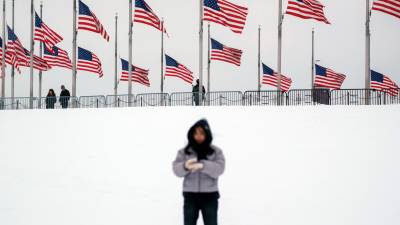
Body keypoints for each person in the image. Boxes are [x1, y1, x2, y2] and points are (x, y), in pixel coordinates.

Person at [173, 119, 225, 225]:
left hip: (210, 196)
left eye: (201, 133)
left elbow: (220, 168)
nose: (198, 136)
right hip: (190, 196)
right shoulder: (183, 152)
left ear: (207, 134)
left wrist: (203, 165)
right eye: (195, 133)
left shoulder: (216, 152)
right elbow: (176, 170)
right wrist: (185, 166)